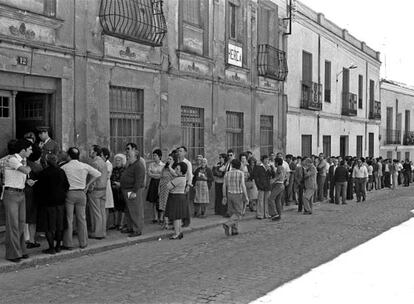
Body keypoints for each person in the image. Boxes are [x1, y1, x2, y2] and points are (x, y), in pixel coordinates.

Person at [61, 147, 101, 250]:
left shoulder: (65, 167)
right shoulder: (84, 166)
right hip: (81, 193)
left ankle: (68, 243)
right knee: (82, 218)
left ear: (69, 156)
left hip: (70, 193)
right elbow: (98, 174)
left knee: (69, 219)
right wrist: (88, 184)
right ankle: (83, 242)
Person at [3, 139, 33, 262]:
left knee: (21, 223)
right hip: (11, 194)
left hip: (20, 193)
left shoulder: (22, 161)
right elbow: (26, 170)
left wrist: (27, 181)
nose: (31, 151)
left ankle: (21, 250)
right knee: (13, 225)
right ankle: (13, 254)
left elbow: (19, 175)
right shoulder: (12, 159)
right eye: (30, 149)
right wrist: (29, 169)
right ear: (23, 150)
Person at [35, 154, 69, 254]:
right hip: (60, 203)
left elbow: (39, 189)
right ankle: (58, 246)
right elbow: (67, 185)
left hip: (47, 203)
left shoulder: (43, 173)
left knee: (48, 227)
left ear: (46, 161)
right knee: (59, 225)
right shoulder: (61, 171)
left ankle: (51, 247)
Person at [120, 143, 146, 237]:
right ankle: (130, 227)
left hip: (133, 190)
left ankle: (137, 229)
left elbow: (139, 180)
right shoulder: (131, 164)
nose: (127, 152)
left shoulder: (138, 165)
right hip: (127, 190)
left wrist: (134, 192)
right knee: (129, 210)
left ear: (135, 151)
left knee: (135, 210)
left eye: (128, 149)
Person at [222, 159, 248, 236]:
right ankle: (227, 224)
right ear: (239, 165)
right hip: (238, 194)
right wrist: (246, 196)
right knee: (238, 213)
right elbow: (243, 185)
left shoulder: (227, 173)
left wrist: (224, 196)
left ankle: (234, 230)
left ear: (232, 165)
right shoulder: (240, 173)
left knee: (232, 213)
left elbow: (224, 185)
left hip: (229, 194)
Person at [24, 145, 43, 249]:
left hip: (23, 192)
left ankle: (24, 238)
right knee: (32, 218)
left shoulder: (23, 163)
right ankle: (31, 239)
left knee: (22, 216)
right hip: (33, 194)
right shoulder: (38, 167)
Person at [87, 145, 108, 239]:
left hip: (96, 190)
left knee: (96, 212)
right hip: (103, 189)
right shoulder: (103, 162)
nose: (89, 152)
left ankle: (97, 232)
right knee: (102, 211)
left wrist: (89, 188)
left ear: (95, 152)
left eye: (90, 151)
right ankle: (102, 231)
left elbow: (93, 179)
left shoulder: (95, 163)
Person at [165, 162, 189, 239]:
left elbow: (168, 186)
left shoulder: (179, 179)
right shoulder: (182, 178)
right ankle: (179, 232)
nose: (176, 170)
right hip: (179, 197)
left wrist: (170, 179)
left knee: (176, 217)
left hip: (175, 197)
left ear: (181, 171)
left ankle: (176, 233)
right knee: (178, 217)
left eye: (178, 169)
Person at [158, 154, 177, 230]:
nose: (168, 160)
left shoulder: (174, 168)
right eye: (168, 159)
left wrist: (170, 166)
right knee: (163, 206)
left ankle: (170, 222)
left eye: (170, 159)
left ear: (173, 161)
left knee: (168, 206)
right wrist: (158, 189)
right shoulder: (164, 168)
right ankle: (165, 223)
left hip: (170, 190)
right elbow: (161, 178)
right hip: (163, 189)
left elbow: (175, 175)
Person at [253, 155, 275, 219]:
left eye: (267, 159)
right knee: (260, 200)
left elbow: (273, 175)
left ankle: (267, 213)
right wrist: (258, 185)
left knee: (267, 200)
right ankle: (260, 214)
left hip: (268, 185)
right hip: (261, 185)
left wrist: (271, 170)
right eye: (265, 159)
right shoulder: (258, 167)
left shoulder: (269, 166)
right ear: (263, 160)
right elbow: (256, 177)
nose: (267, 161)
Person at [146, 149, 164, 223]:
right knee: (153, 200)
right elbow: (149, 174)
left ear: (159, 156)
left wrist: (154, 175)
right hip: (153, 183)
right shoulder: (151, 164)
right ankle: (155, 217)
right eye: (153, 155)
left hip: (161, 183)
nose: (154, 157)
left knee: (161, 200)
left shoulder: (163, 165)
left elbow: (162, 175)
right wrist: (156, 175)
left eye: (155, 155)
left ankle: (161, 217)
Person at [177, 146, 193, 227]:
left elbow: (190, 175)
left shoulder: (187, 163)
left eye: (181, 151)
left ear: (185, 152)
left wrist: (188, 185)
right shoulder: (176, 162)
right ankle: (179, 220)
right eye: (178, 151)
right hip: (177, 184)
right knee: (179, 204)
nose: (179, 152)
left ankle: (186, 221)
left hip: (184, 183)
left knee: (185, 203)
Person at [110, 153, 127, 230]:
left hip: (122, 190)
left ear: (122, 161)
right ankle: (115, 223)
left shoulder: (125, 169)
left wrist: (120, 184)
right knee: (115, 207)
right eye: (116, 160)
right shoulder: (114, 169)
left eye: (119, 160)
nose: (117, 162)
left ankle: (121, 223)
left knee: (122, 207)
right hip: (114, 189)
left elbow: (126, 180)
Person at [101, 147, 115, 229]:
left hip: (106, 185)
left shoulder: (108, 164)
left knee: (106, 206)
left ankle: (105, 225)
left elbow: (106, 175)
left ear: (106, 156)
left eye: (101, 155)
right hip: (102, 185)